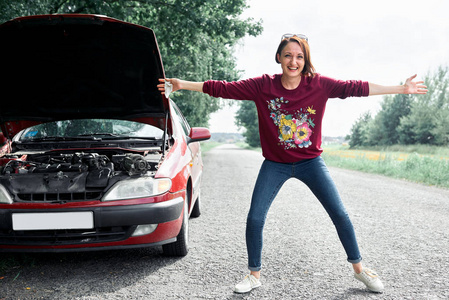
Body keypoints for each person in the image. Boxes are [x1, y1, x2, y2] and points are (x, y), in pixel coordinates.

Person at [157, 33, 428, 294]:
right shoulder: (263, 85)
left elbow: (356, 88)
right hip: (275, 164)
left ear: (305, 60)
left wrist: (401, 89)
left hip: (312, 162)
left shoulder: (319, 84)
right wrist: (182, 84)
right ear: (279, 57)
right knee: (255, 217)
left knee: (340, 214)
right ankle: (253, 275)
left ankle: (359, 269)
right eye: (288, 55)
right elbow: (222, 89)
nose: (293, 61)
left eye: (299, 57)